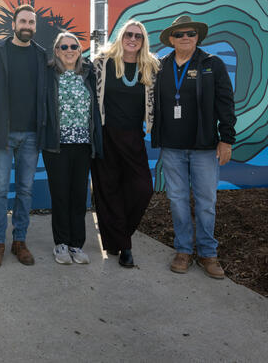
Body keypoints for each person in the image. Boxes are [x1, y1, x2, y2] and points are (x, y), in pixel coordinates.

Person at [152, 15, 236, 279]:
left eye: (190, 33)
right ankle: (184, 250)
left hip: (204, 148)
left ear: (197, 37)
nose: (185, 37)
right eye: (179, 34)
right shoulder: (160, 67)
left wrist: (227, 139)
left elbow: (226, 103)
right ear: (171, 39)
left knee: (206, 203)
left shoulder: (212, 64)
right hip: (172, 148)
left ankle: (208, 254)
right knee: (177, 201)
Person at [0, 4, 48, 269]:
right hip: (2, 133)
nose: (27, 26)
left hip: (32, 134)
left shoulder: (42, 55)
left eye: (31, 23)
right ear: (13, 24)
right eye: (22, 21)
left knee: (24, 190)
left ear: (35, 27)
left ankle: (19, 241)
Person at [92, 21, 159, 267]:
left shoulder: (150, 67)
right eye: (128, 34)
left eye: (138, 36)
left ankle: (118, 237)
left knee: (142, 189)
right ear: (120, 37)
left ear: (143, 41)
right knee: (107, 191)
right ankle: (124, 247)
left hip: (133, 138)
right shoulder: (103, 63)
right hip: (106, 136)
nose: (133, 39)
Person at [43, 32, 102, 265]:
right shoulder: (48, 75)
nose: (69, 50)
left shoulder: (89, 74)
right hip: (56, 146)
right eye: (64, 46)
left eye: (74, 47)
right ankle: (61, 244)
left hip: (84, 145)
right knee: (60, 195)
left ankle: (77, 245)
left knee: (79, 197)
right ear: (56, 51)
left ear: (80, 50)